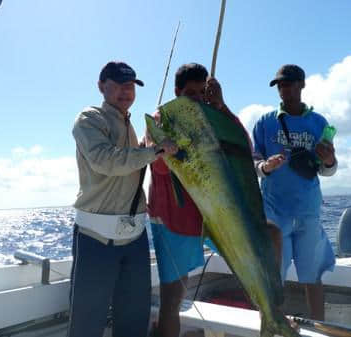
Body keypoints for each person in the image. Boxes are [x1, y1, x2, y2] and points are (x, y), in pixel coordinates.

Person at [69, 61, 177, 337]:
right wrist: (153, 151)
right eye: (117, 85)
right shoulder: (89, 119)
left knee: (133, 318)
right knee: (87, 322)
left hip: (135, 237)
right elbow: (106, 161)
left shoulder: (131, 124)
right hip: (96, 236)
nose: (125, 91)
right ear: (101, 86)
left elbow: (134, 161)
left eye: (130, 86)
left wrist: (151, 145)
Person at [147, 63, 246, 337]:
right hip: (172, 219)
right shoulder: (161, 120)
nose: (198, 99)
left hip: (211, 217)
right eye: (191, 93)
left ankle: (271, 311)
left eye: (202, 92)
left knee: (270, 234)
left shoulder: (213, 114)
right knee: (173, 299)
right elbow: (159, 167)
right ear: (177, 92)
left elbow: (243, 148)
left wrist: (221, 107)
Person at [252, 64, 337, 320]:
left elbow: (327, 170)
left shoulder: (319, 122)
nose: (283, 88)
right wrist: (265, 167)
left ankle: (319, 326)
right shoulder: (265, 123)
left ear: (302, 84)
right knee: (273, 275)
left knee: (312, 276)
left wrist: (330, 160)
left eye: (288, 83)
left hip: (308, 212)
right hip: (274, 214)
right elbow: (253, 161)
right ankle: (273, 324)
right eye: (279, 84)